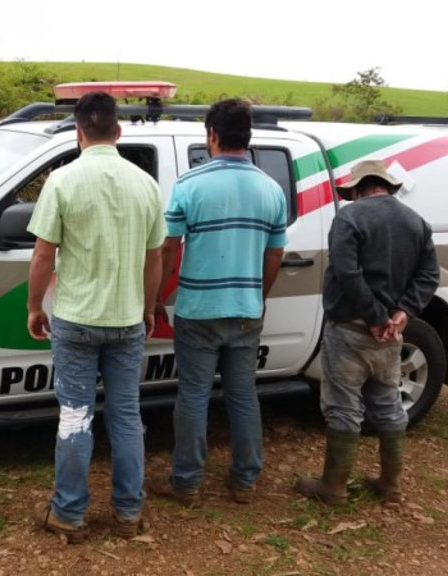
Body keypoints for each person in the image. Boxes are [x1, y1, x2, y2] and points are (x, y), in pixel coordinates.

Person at [26, 91, 165, 543]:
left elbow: (43, 254)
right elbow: (154, 257)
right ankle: (129, 513)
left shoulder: (62, 181)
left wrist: (33, 307)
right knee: (126, 417)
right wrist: (147, 307)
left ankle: (68, 512)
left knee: (75, 415)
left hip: (76, 319)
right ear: (119, 131)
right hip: (127, 321)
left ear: (78, 131)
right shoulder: (145, 184)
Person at [152, 98, 287, 505]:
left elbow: (168, 250)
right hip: (246, 311)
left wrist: (158, 298)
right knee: (243, 395)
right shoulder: (271, 190)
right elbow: (275, 253)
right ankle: (245, 481)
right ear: (247, 137)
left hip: (198, 311)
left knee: (193, 395)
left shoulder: (190, 185)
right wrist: (257, 296)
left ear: (212, 135)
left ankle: (187, 482)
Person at [294, 159, 439, 506]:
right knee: (388, 403)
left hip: (350, 330)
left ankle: (333, 487)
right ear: (386, 186)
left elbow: (347, 271)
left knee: (344, 407)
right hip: (391, 334)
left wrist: (374, 316)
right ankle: (391, 487)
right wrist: (402, 313)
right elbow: (428, 275)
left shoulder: (350, 218)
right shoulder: (416, 223)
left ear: (359, 189)